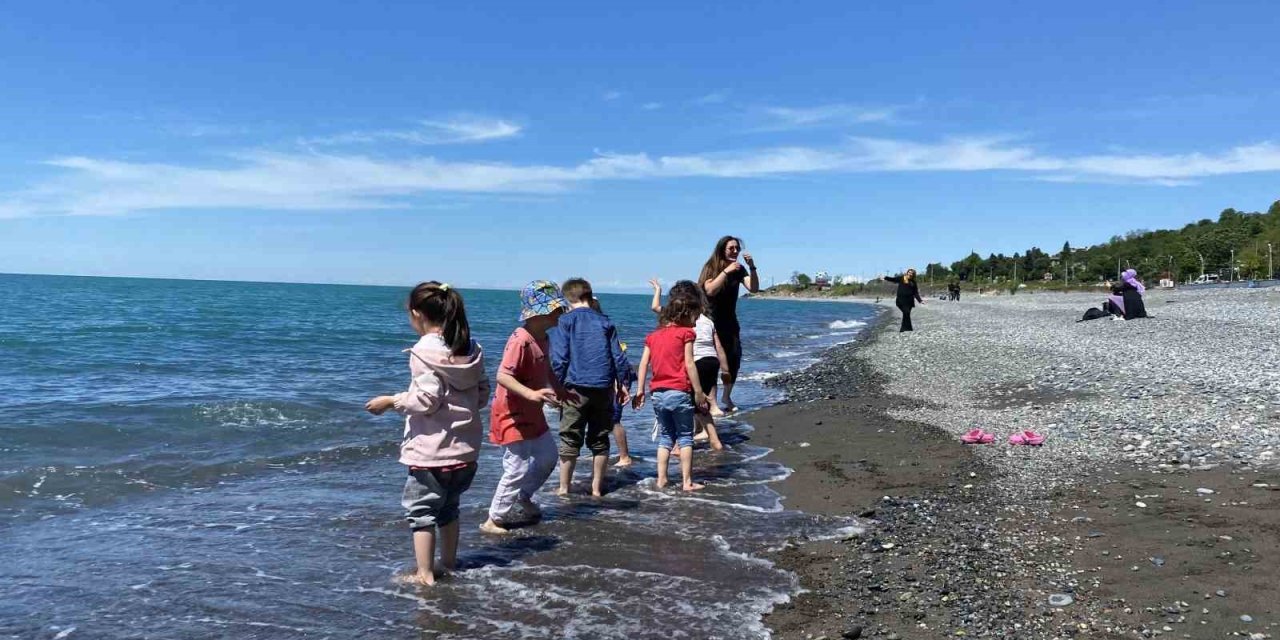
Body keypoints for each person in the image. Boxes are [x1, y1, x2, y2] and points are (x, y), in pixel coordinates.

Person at [364, 282, 488, 586]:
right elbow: (483, 393)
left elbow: (425, 400)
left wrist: (391, 401)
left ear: (417, 314)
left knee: (421, 513)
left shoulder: (424, 351)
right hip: (465, 452)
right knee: (449, 509)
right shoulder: (469, 348)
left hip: (432, 453)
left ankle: (425, 574)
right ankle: (448, 564)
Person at [481, 281, 569, 535]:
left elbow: (547, 368)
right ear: (540, 313)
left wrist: (559, 388)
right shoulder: (520, 340)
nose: (560, 315)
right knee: (516, 466)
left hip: (532, 411)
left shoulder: (544, 338)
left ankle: (523, 496)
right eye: (556, 310)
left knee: (548, 457)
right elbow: (502, 376)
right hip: (512, 412)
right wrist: (531, 393)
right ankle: (494, 519)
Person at [550, 278, 634, 497]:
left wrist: (556, 387)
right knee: (600, 438)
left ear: (568, 298)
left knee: (570, 438)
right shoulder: (605, 322)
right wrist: (622, 384)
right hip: (603, 387)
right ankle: (597, 488)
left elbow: (560, 358)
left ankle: (564, 488)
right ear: (589, 295)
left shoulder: (565, 321)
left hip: (574, 388)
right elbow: (618, 357)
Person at [632, 292, 708, 491]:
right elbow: (690, 364)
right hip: (679, 391)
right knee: (685, 437)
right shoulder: (686, 334)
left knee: (666, 437)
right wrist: (699, 391)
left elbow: (643, 364)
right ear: (684, 315)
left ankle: (662, 479)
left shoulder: (653, 336)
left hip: (657, 393)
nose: (696, 320)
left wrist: (640, 390)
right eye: (695, 316)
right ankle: (686, 482)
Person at [698, 236, 759, 413]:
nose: (735, 251)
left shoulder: (739, 270)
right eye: (731, 248)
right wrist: (726, 272)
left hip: (730, 321)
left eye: (737, 249)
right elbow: (709, 290)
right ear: (722, 250)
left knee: (733, 360)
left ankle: (726, 396)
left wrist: (752, 267)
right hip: (710, 321)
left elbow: (753, 288)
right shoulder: (711, 267)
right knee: (713, 362)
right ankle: (713, 404)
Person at [588, 296, 635, 468]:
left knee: (613, 419)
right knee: (602, 418)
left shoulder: (602, 327)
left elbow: (617, 359)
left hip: (617, 376)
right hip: (611, 376)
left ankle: (625, 456)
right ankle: (601, 453)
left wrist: (619, 383)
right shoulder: (599, 326)